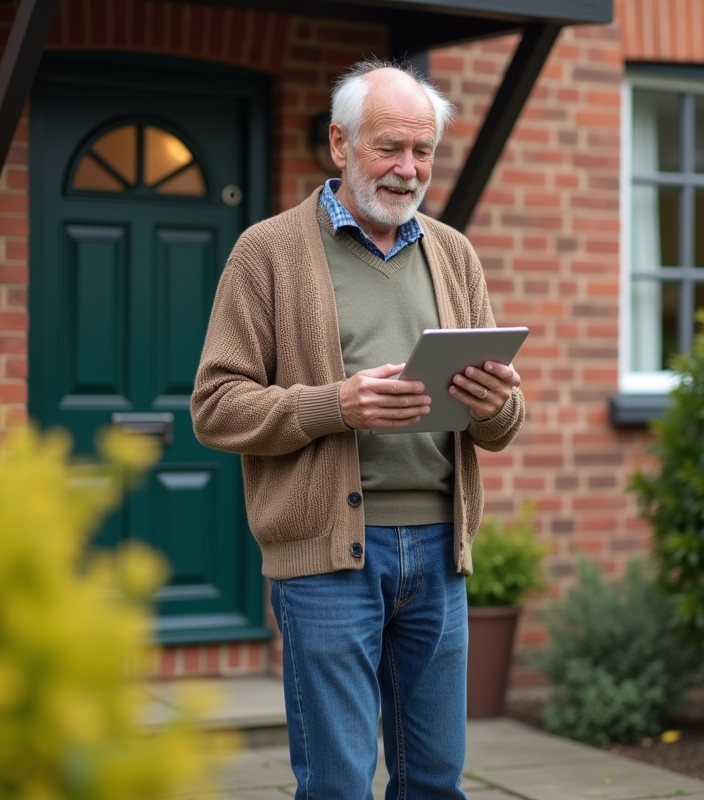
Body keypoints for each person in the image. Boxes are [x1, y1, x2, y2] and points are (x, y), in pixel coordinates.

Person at [190, 58, 525, 799]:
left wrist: (494, 402)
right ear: (340, 145)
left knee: (436, 782)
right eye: (390, 148)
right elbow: (215, 405)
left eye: (424, 151)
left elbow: (501, 428)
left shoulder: (454, 253)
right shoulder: (267, 253)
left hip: (440, 551)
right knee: (338, 784)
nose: (409, 170)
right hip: (326, 560)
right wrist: (333, 406)